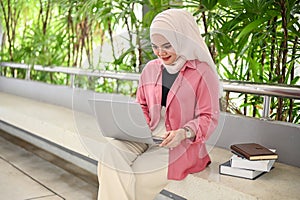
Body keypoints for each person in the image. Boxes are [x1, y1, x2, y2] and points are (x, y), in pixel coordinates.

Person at [97, 8, 221, 200]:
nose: (160, 52)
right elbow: (142, 104)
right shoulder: (151, 69)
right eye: (155, 46)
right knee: (110, 154)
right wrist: (137, 124)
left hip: (180, 144)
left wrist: (184, 132)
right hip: (146, 135)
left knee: (138, 174)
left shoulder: (202, 72)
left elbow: (209, 117)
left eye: (167, 45)